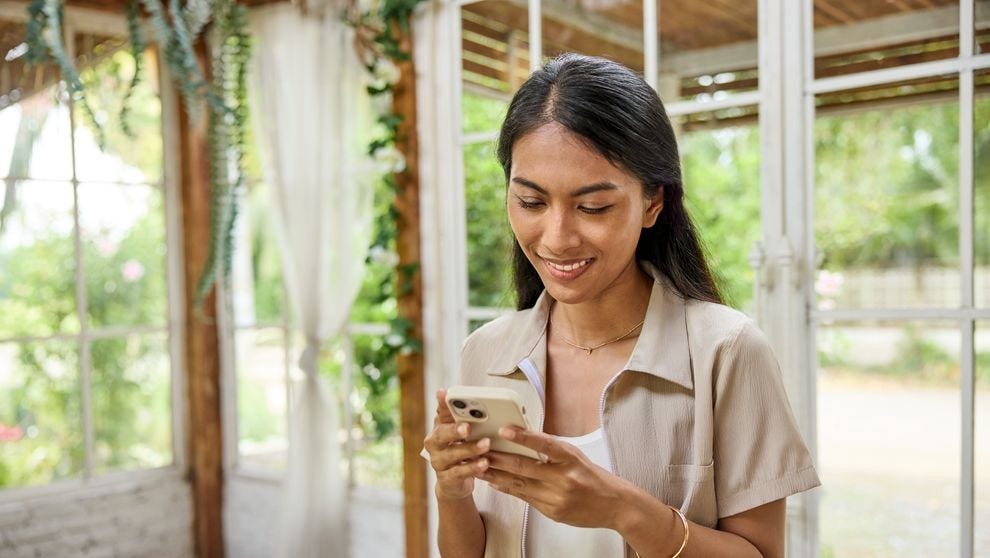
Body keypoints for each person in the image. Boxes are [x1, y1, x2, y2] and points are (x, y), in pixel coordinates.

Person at [422, 53, 820, 558]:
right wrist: (450, 492)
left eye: (593, 207)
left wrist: (621, 509)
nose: (558, 238)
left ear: (653, 202)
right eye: (531, 202)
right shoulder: (487, 353)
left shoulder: (726, 352)